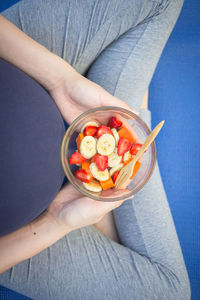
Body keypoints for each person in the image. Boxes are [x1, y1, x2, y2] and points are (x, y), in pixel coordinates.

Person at [0, 0, 191, 299]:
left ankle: (126, 110)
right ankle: (129, 109)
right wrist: (55, 222)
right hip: (27, 230)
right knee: (169, 294)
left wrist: (61, 80)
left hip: (28, 71)